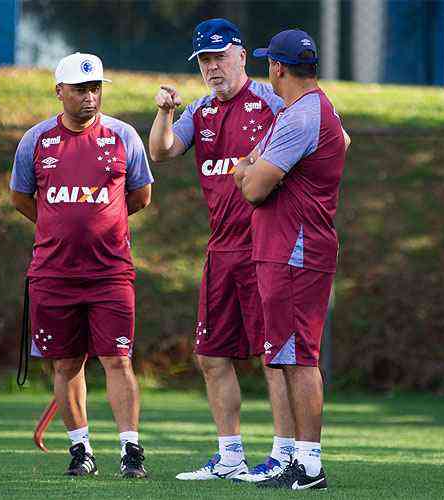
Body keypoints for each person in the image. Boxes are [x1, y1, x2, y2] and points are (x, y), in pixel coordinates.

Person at [149, 18, 296, 482]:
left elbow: (327, 137)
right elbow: (163, 151)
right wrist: (165, 112)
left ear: (241, 54)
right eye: (204, 61)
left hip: (266, 249)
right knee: (211, 355)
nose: (212, 68)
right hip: (221, 252)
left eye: (219, 57)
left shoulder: (273, 102)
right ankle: (230, 456)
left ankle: (285, 454)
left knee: (275, 356)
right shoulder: (202, 110)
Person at [9, 52, 153, 479]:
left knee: (118, 360)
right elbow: (21, 198)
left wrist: (99, 226)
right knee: (66, 363)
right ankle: (81, 449)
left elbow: (141, 196)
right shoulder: (36, 141)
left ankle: (131, 450)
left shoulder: (123, 135)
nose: (90, 97)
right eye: (79, 89)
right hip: (54, 274)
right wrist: (60, 227)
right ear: (60, 92)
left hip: (110, 273)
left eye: (95, 88)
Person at [233, 29, 350, 490]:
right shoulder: (313, 109)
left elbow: (253, 187)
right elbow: (343, 142)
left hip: (295, 250)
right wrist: (256, 165)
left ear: (277, 67)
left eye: (268, 63)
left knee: (300, 358)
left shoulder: (300, 116)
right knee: (288, 355)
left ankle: (310, 465)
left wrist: (250, 169)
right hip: (288, 249)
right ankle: (300, 460)